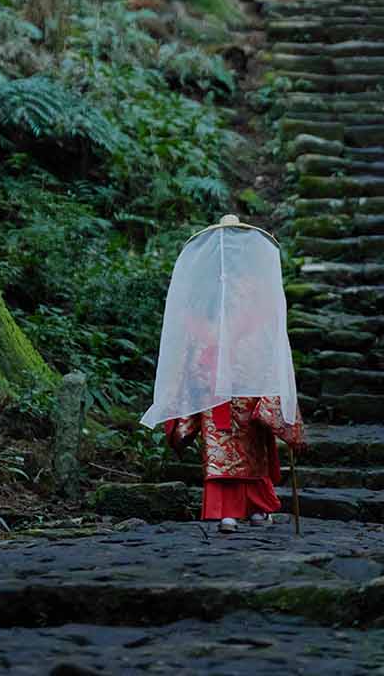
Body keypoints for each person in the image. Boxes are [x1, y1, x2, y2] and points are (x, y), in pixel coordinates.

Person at [140, 215, 305, 532]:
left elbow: (193, 331)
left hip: (213, 377)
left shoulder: (205, 288)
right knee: (251, 444)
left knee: (223, 444)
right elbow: (266, 331)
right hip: (246, 376)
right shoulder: (254, 288)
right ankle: (254, 510)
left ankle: (229, 512)